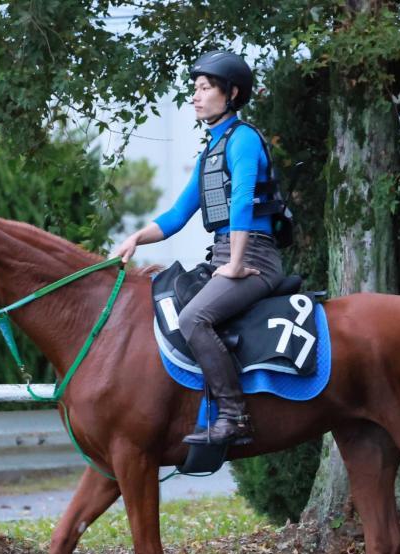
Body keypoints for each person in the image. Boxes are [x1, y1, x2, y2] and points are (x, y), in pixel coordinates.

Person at [114, 50, 285, 446]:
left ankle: (234, 416)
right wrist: (136, 238)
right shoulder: (211, 151)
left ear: (231, 93)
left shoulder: (242, 139)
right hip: (225, 254)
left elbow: (242, 200)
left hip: (255, 257)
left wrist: (237, 263)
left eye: (205, 88)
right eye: (195, 89)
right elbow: (176, 216)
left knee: (193, 319)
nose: (195, 96)